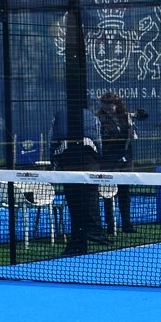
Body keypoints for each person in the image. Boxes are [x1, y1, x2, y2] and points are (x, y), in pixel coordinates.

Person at [51, 100, 108, 252]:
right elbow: (98, 139)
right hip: (83, 162)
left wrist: (53, 160)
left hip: (70, 162)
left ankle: (84, 234)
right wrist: (99, 158)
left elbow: (53, 139)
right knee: (89, 199)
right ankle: (91, 233)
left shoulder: (60, 115)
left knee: (76, 200)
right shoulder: (91, 116)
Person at [96, 92, 136, 235]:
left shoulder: (125, 117)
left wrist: (132, 130)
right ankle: (110, 223)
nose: (107, 107)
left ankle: (127, 223)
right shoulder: (98, 119)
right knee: (109, 193)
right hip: (109, 160)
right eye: (105, 104)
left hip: (125, 159)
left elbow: (132, 134)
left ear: (116, 104)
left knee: (124, 191)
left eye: (110, 104)